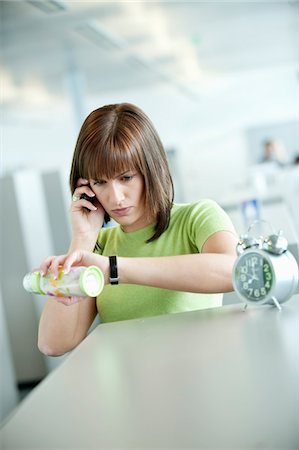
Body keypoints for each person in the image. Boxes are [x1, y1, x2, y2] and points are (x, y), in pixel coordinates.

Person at [37, 103, 238, 356]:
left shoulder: (197, 217)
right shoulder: (97, 248)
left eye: (126, 178)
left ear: (151, 169)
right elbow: (53, 344)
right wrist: (82, 239)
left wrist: (113, 269)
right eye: (100, 182)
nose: (115, 197)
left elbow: (234, 271)